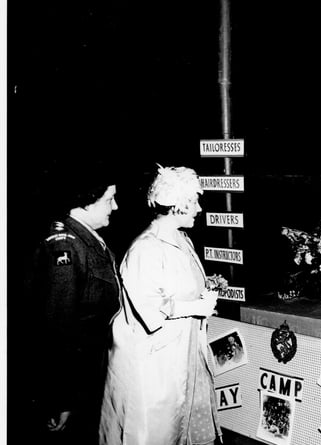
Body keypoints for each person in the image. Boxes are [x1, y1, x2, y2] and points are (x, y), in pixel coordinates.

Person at [99, 165, 223, 445]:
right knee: (157, 434)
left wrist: (206, 287)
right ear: (179, 205)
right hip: (155, 366)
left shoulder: (181, 239)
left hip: (186, 354)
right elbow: (150, 308)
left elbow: (178, 285)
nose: (199, 209)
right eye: (195, 202)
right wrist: (195, 307)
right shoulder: (146, 248)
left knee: (186, 431)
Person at [35, 172, 121, 444]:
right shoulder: (67, 246)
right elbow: (58, 327)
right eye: (110, 199)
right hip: (78, 380)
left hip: (93, 369)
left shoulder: (87, 238)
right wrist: (61, 399)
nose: (115, 206)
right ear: (87, 201)